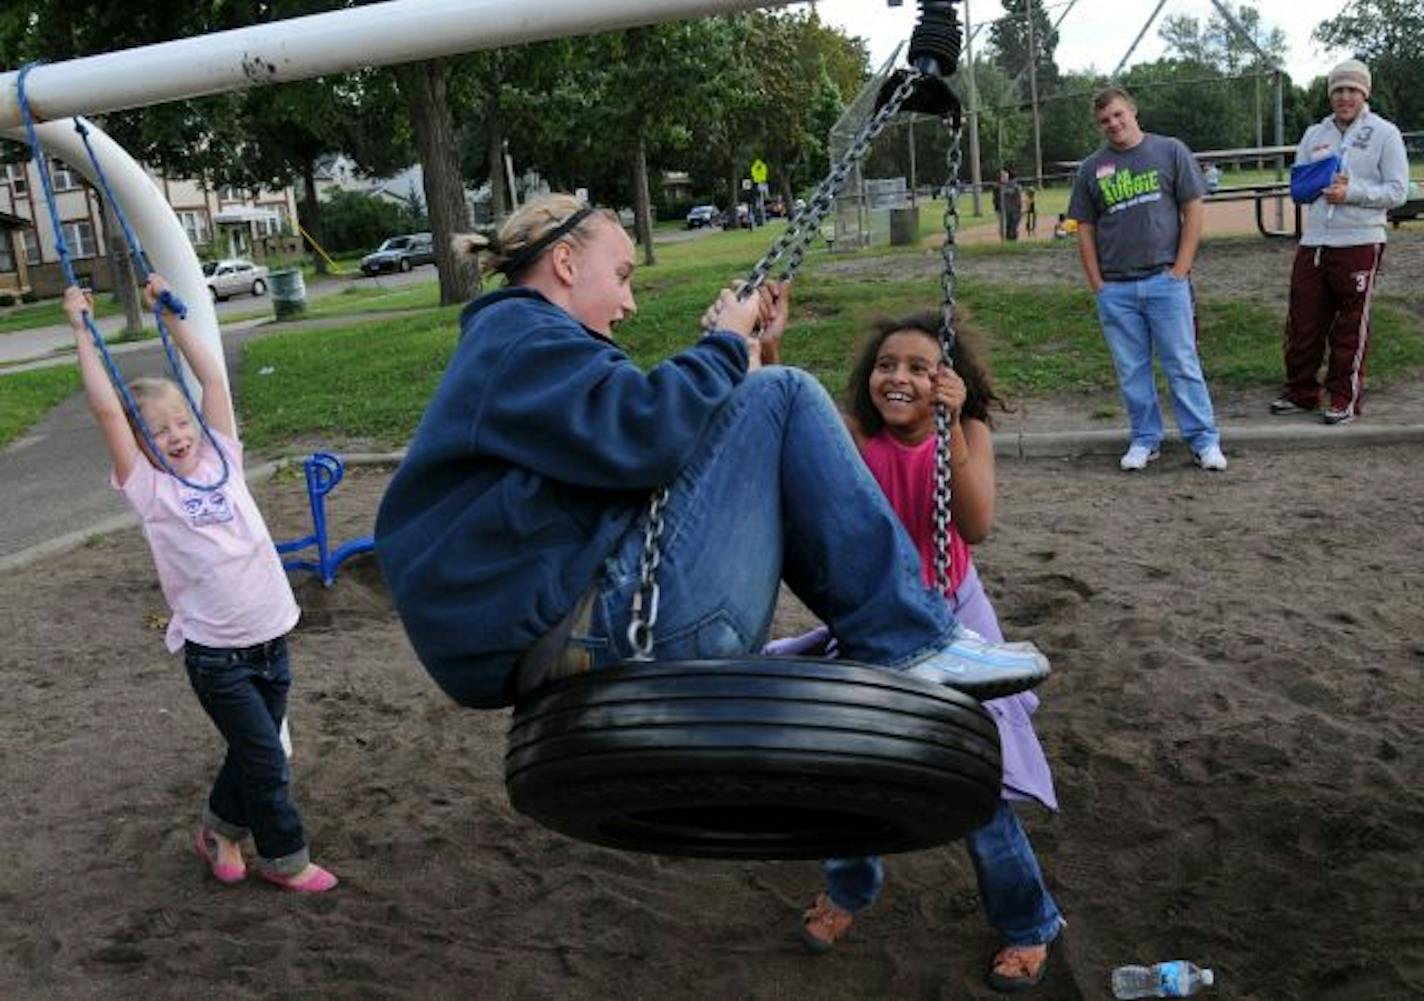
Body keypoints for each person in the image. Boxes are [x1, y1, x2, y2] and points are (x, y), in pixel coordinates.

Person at [374, 193, 1050, 716]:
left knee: (765, 392)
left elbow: (646, 445)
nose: (631, 300)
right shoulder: (519, 338)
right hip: (611, 634)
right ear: (567, 263)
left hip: (569, 631)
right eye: (622, 274)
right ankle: (912, 641)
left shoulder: (522, 355)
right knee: (782, 395)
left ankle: (902, 633)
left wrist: (736, 360)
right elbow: (646, 434)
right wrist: (725, 347)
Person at [768, 313, 1063, 993]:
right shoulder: (856, 442)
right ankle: (850, 885)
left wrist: (954, 427)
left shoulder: (965, 433)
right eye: (886, 364)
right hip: (877, 624)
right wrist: (772, 343)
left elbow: (977, 523)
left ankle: (1028, 921)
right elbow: (792, 431)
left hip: (954, 624)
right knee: (856, 766)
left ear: (950, 381)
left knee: (978, 787)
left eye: (920, 367)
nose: (898, 377)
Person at [62, 277, 337, 894]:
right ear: (139, 446)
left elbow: (212, 379)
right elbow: (108, 409)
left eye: (179, 422)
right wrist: (82, 331)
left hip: (272, 639)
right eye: (158, 432)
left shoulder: (222, 455)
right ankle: (286, 860)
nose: (177, 435)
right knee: (269, 761)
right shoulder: (151, 490)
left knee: (253, 753)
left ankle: (218, 830)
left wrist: (172, 316)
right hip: (218, 656)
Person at [1068, 86, 1227, 472]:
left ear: (1133, 112)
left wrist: (1180, 270)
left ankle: (1204, 440)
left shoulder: (1169, 150)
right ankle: (1145, 439)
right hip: (1116, 288)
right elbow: (1084, 228)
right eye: (1105, 120)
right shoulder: (1092, 168)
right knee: (1132, 369)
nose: (1113, 124)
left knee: (1182, 363)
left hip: (1164, 279)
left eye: (1119, 115)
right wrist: (1098, 285)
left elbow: (1193, 208)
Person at [1271, 59, 1408, 425]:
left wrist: (1353, 192)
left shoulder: (1384, 133)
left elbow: (1397, 191)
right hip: (1315, 241)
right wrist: (1311, 186)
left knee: (1350, 325)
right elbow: (1298, 188)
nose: (1345, 97)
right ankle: (1301, 392)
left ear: (1365, 93)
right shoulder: (1315, 134)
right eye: (1338, 90)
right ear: (1330, 94)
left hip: (1361, 239)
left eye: (1352, 90)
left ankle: (1344, 398)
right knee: (1303, 320)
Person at [993, 167, 1022, 242]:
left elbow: (1018, 200)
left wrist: (1019, 210)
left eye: (1005, 176)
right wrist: (997, 210)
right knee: (1005, 229)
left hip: (1014, 211)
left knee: (1013, 229)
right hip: (1003, 211)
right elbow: (995, 200)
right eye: (1002, 176)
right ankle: (1006, 243)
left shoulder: (1014, 186)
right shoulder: (997, 187)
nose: (1003, 178)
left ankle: (1013, 241)